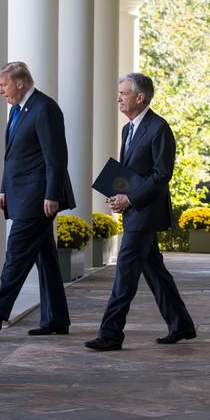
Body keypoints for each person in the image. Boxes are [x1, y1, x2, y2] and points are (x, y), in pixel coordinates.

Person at [85, 73, 195, 351]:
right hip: (134, 211)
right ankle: (181, 324)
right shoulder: (128, 129)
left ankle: (110, 334)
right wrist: (117, 195)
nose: (118, 98)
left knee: (125, 272)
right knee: (156, 272)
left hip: (146, 214)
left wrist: (130, 199)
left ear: (140, 97)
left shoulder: (159, 128)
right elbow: (129, 173)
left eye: (123, 93)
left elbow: (161, 175)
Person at [0, 61, 75, 335]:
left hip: (37, 198)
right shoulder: (18, 110)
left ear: (20, 83)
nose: (0, 91)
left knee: (16, 253)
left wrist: (52, 194)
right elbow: (14, 155)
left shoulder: (45, 108)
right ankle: (56, 319)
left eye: (3, 85)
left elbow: (56, 157)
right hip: (21, 194)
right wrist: (4, 189)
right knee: (46, 259)